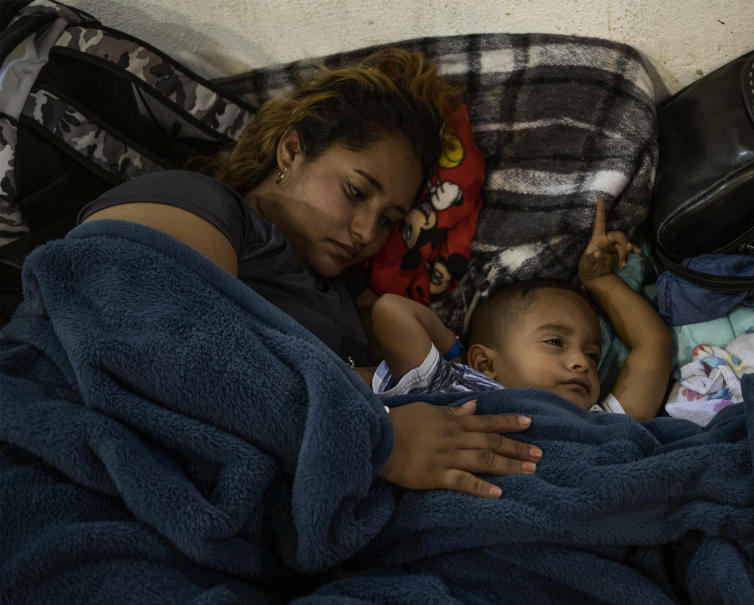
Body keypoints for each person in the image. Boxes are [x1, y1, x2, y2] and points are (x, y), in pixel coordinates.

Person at [75, 48, 539, 499]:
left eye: (388, 220)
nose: (365, 232)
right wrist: (373, 436)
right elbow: (152, 337)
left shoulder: (349, 296)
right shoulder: (199, 202)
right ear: (292, 150)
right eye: (356, 191)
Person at [370, 200, 673, 421]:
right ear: (486, 363)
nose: (582, 362)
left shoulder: (599, 421)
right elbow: (391, 311)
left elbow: (654, 345)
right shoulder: (458, 393)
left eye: (593, 355)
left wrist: (599, 280)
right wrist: (458, 358)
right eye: (555, 342)